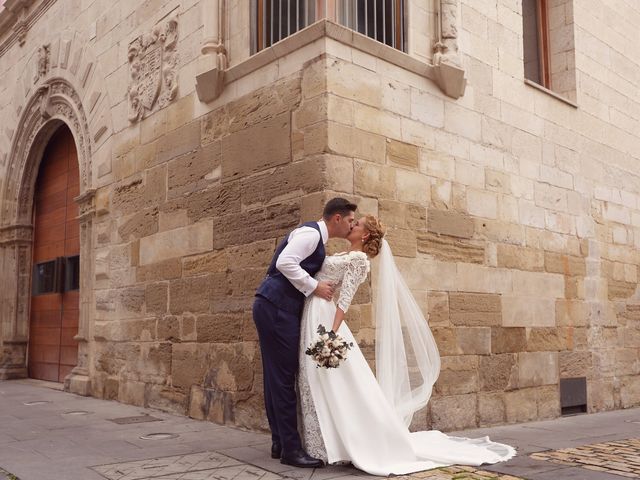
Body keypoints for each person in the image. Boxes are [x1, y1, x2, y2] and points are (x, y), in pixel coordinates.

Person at [298, 215, 516, 476]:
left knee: (329, 379)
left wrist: (331, 336)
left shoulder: (358, 260)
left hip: (326, 319)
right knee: (320, 380)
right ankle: (326, 442)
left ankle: (341, 444)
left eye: (357, 225)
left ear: (365, 235)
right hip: (314, 311)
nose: (351, 225)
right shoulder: (345, 252)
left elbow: (345, 300)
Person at [253, 197, 357, 468]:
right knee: (284, 377)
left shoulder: (314, 237)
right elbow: (285, 263)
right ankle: (291, 449)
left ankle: (280, 442)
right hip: (276, 307)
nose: (351, 225)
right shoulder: (311, 234)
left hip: (273, 305)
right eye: (349, 220)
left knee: (275, 377)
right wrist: (314, 286)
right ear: (337, 218)